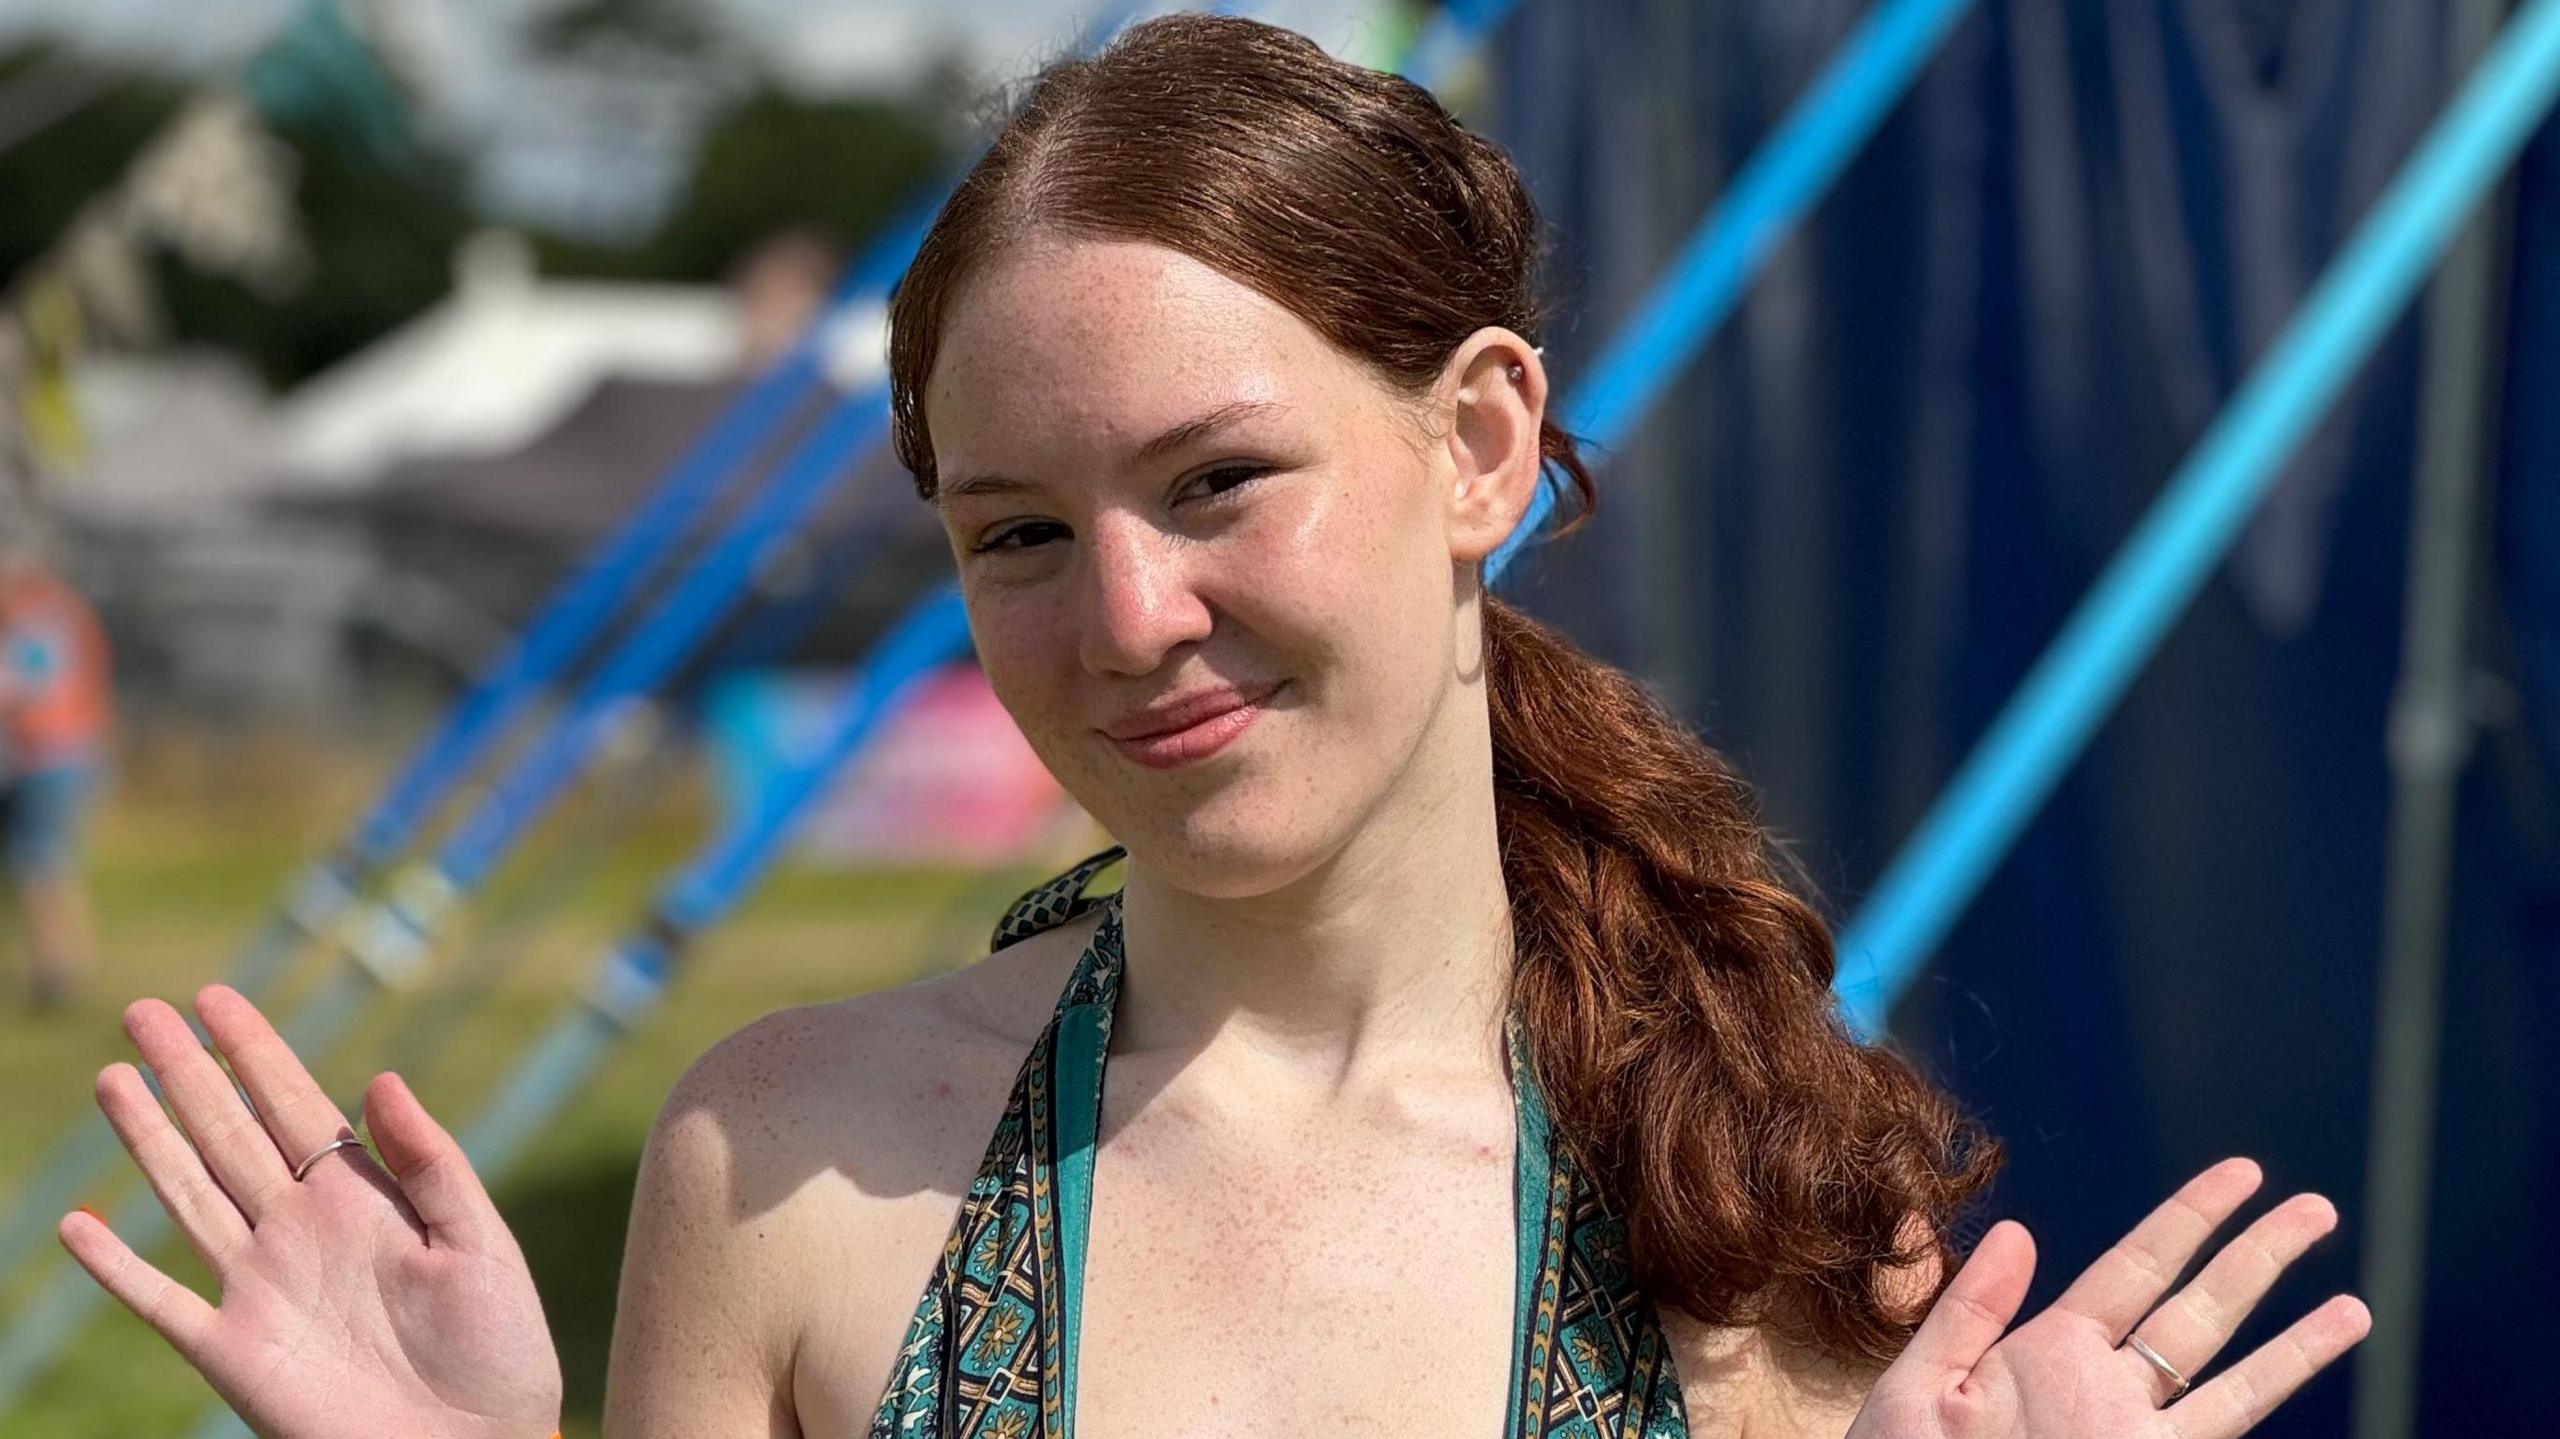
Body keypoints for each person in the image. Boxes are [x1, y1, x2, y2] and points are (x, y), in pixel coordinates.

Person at [55, 16, 2369, 1437]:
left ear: (1474, 443)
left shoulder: (1764, 1207)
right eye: (1014, 532)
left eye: (1212, 481)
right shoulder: (791, 1164)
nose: (1129, 617)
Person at [0, 527, 111, 1010]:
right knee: (47, 863)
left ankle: (56, 970)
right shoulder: (61, 612)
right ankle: (59, 966)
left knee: (42, 864)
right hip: (64, 752)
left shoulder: (37, 620)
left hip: (47, 756)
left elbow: (35, 692)